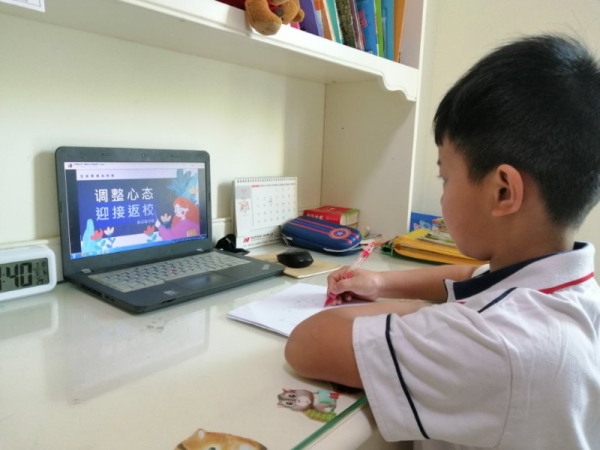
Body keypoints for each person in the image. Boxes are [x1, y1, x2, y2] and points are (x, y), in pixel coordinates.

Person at [285, 34, 600, 449]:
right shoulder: (570, 293)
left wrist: (422, 311)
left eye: (445, 177)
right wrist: (381, 283)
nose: (442, 193)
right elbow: (475, 275)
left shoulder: (494, 343)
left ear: (503, 191)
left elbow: (308, 343)